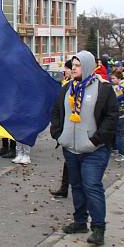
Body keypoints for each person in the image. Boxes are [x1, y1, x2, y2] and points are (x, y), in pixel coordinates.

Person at [50, 51, 118, 247]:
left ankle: (98, 228)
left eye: (77, 65)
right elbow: (57, 111)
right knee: (77, 186)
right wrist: (58, 134)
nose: (73, 68)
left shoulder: (103, 89)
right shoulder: (67, 88)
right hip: (71, 149)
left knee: (91, 185)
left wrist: (96, 140)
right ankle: (80, 221)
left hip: (94, 150)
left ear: (87, 67)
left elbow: (111, 117)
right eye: (72, 65)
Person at [50, 59, 73, 199]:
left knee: (73, 163)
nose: (65, 71)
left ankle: (70, 188)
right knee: (68, 161)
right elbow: (58, 108)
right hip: (65, 130)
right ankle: (64, 188)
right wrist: (56, 131)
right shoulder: (66, 84)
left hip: (76, 130)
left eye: (67, 68)